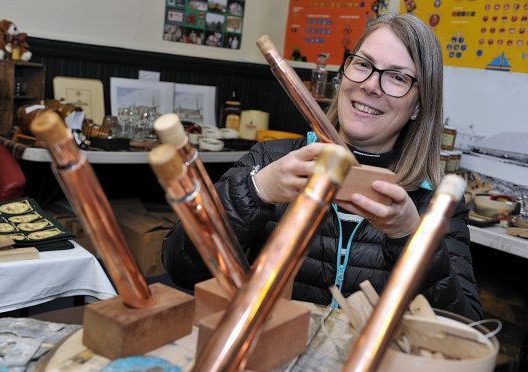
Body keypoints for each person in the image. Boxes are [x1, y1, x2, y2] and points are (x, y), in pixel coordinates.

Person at [162, 14, 482, 321]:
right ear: (343, 75)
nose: (371, 85)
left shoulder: (437, 203)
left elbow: (462, 329)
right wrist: (257, 192)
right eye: (363, 64)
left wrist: (412, 237)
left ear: (418, 106)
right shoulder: (271, 161)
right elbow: (181, 266)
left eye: (397, 77)